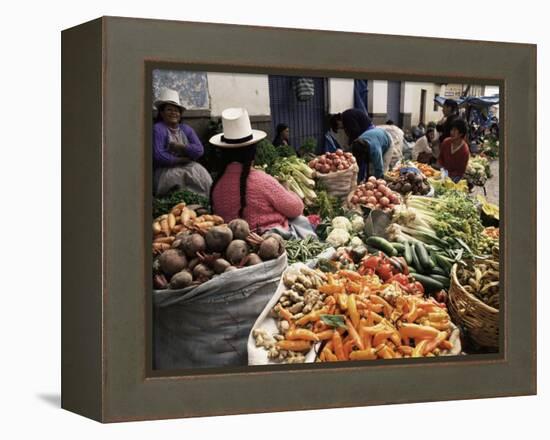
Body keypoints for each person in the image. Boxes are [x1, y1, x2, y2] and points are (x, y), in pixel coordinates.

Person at [210, 108, 312, 237]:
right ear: (253, 152)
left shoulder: (217, 184)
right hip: (269, 240)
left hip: (231, 243)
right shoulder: (262, 181)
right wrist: (286, 188)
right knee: (301, 220)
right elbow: (296, 208)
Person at [153, 88, 212, 197]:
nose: (173, 113)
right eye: (169, 110)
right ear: (161, 113)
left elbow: (199, 150)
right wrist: (180, 160)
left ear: (180, 114)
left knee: (202, 176)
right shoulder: (158, 128)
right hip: (166, 169)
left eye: (176, 110)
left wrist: (181, 147)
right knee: (177, 179)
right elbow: (159, 155)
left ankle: (205, 202)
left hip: (188, 164)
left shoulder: (186, 129)